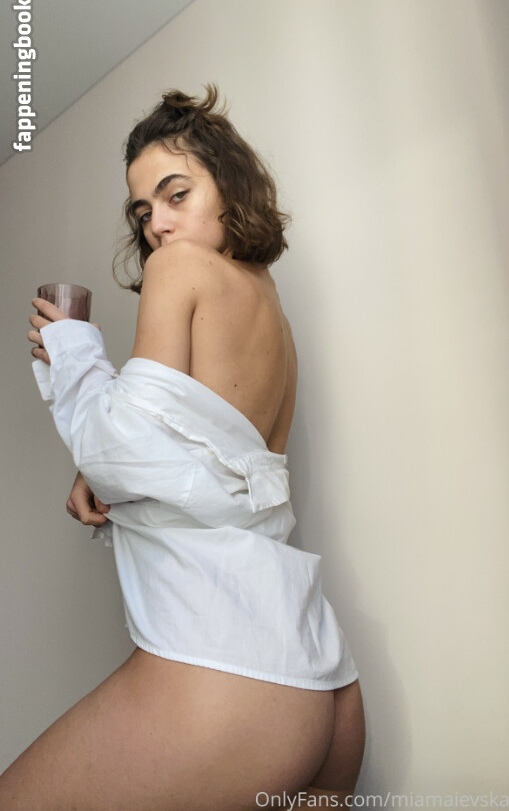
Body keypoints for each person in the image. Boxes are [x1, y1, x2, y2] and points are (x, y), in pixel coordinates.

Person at [3, 84, 365, 810]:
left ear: (229, 186)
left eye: (176, 194)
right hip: (324, 679)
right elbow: (197, 453)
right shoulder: (271, 313)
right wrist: (104, 468)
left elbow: (123, 452)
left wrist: (72, 355)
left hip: (226, 671)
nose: (159, 226)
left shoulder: (178, 270)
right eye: (143, 212)